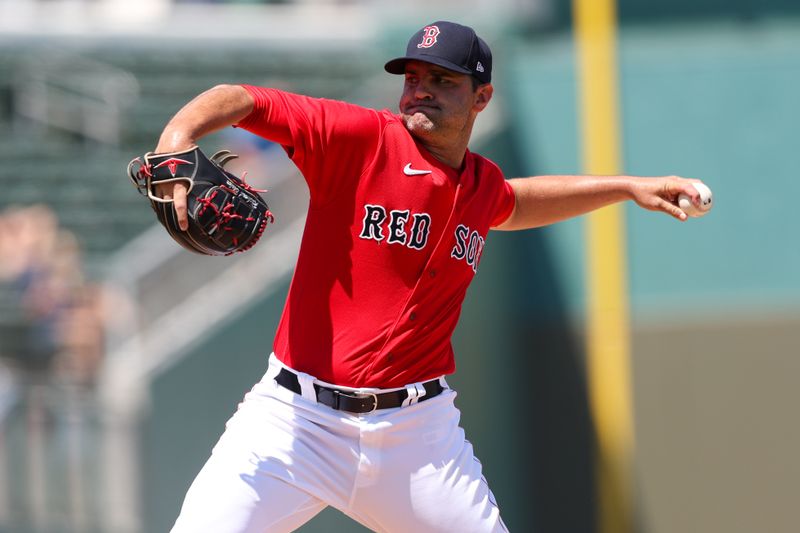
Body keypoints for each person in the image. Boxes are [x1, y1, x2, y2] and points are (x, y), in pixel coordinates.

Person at [155, 21, 703, 533]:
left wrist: (628, 186)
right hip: (294, 424)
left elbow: (516, 202)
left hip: (417, 440)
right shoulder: (361, 138)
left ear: (481, 97)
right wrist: (177, 135)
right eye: (412, 78)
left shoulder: (482, 185)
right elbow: (247, 99)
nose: (420, 90)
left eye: (442, 80)